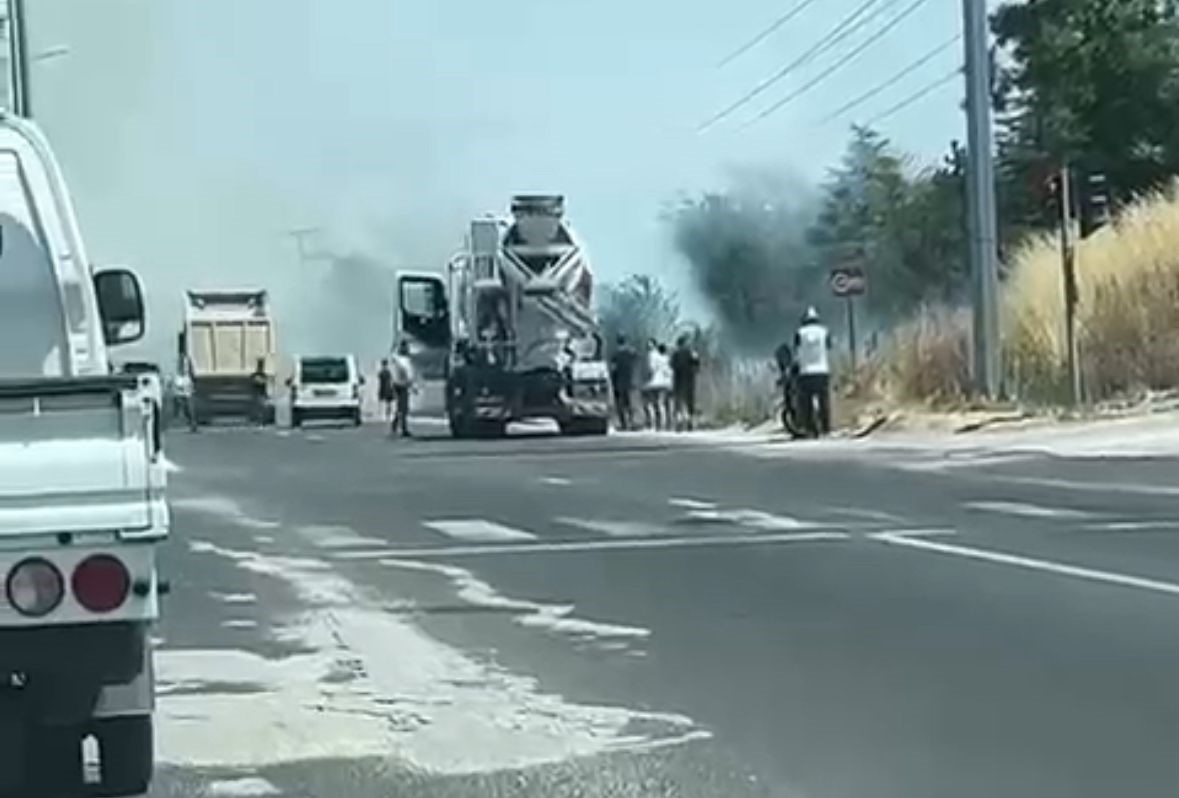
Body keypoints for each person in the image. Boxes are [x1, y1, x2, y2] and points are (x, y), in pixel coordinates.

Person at [793, 306, 832, 437]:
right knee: (824, 401)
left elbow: (796, 351)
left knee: (806, 402)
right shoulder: (824, 331)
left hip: (805, 372)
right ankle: (826, 428)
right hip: (822, 370)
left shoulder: (799, 333)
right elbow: (829, 347)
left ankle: (810, 428)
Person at [670, 334, 701, 431]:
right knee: (690, 401)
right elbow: (697, 365)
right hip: (689, 380)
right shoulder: (691, 353)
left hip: (678, 380)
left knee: (678, 402)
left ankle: (679, 421)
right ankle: (689, 421)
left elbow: (671, 365)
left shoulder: (675, 354)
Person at [609, 335, 638, 430]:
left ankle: (624, 424)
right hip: (630, 381)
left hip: (618, 383)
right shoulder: (630, 353)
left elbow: (613, 369)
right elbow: (636, 359)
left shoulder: (615, 354)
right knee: (630, 403)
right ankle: (632, 422)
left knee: (620, 405)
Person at [645, 342, 673, 431]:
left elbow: (651, 369)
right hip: (666, 383)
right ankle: (667, 423)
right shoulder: (667, 359)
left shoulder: (654, 357)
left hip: (656, 383)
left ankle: (658, 423)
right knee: (664, 404)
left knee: (656, 404)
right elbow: (669, 372)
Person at [390, 340, 415, 438]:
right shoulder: (401, 360)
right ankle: (401, 428)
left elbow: (410, 374)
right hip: (401, 385)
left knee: (401, 408)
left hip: (403, 385)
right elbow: (407, 373)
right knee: (403, 408)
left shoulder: (405, 360)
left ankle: (397, 426)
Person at [172, 360, 197, 432]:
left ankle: (193, 424)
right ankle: (190, 423)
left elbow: (192, 383)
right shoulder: (178, 377)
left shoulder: (187, 376)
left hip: (188, 394)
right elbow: (176, 388)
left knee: (191, 410)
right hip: (181, 395)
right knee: (186, 410)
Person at [249, 357, 269, 427]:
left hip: (262, 394)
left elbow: (264, 384)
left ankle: (261, 422)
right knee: (259, 409)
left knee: (262, 409)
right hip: (257, 394)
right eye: (260, 365)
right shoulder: (256, 375)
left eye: (262, 365)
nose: (261, 367)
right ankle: (259, 422)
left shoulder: (263, 375)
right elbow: (255, 382)